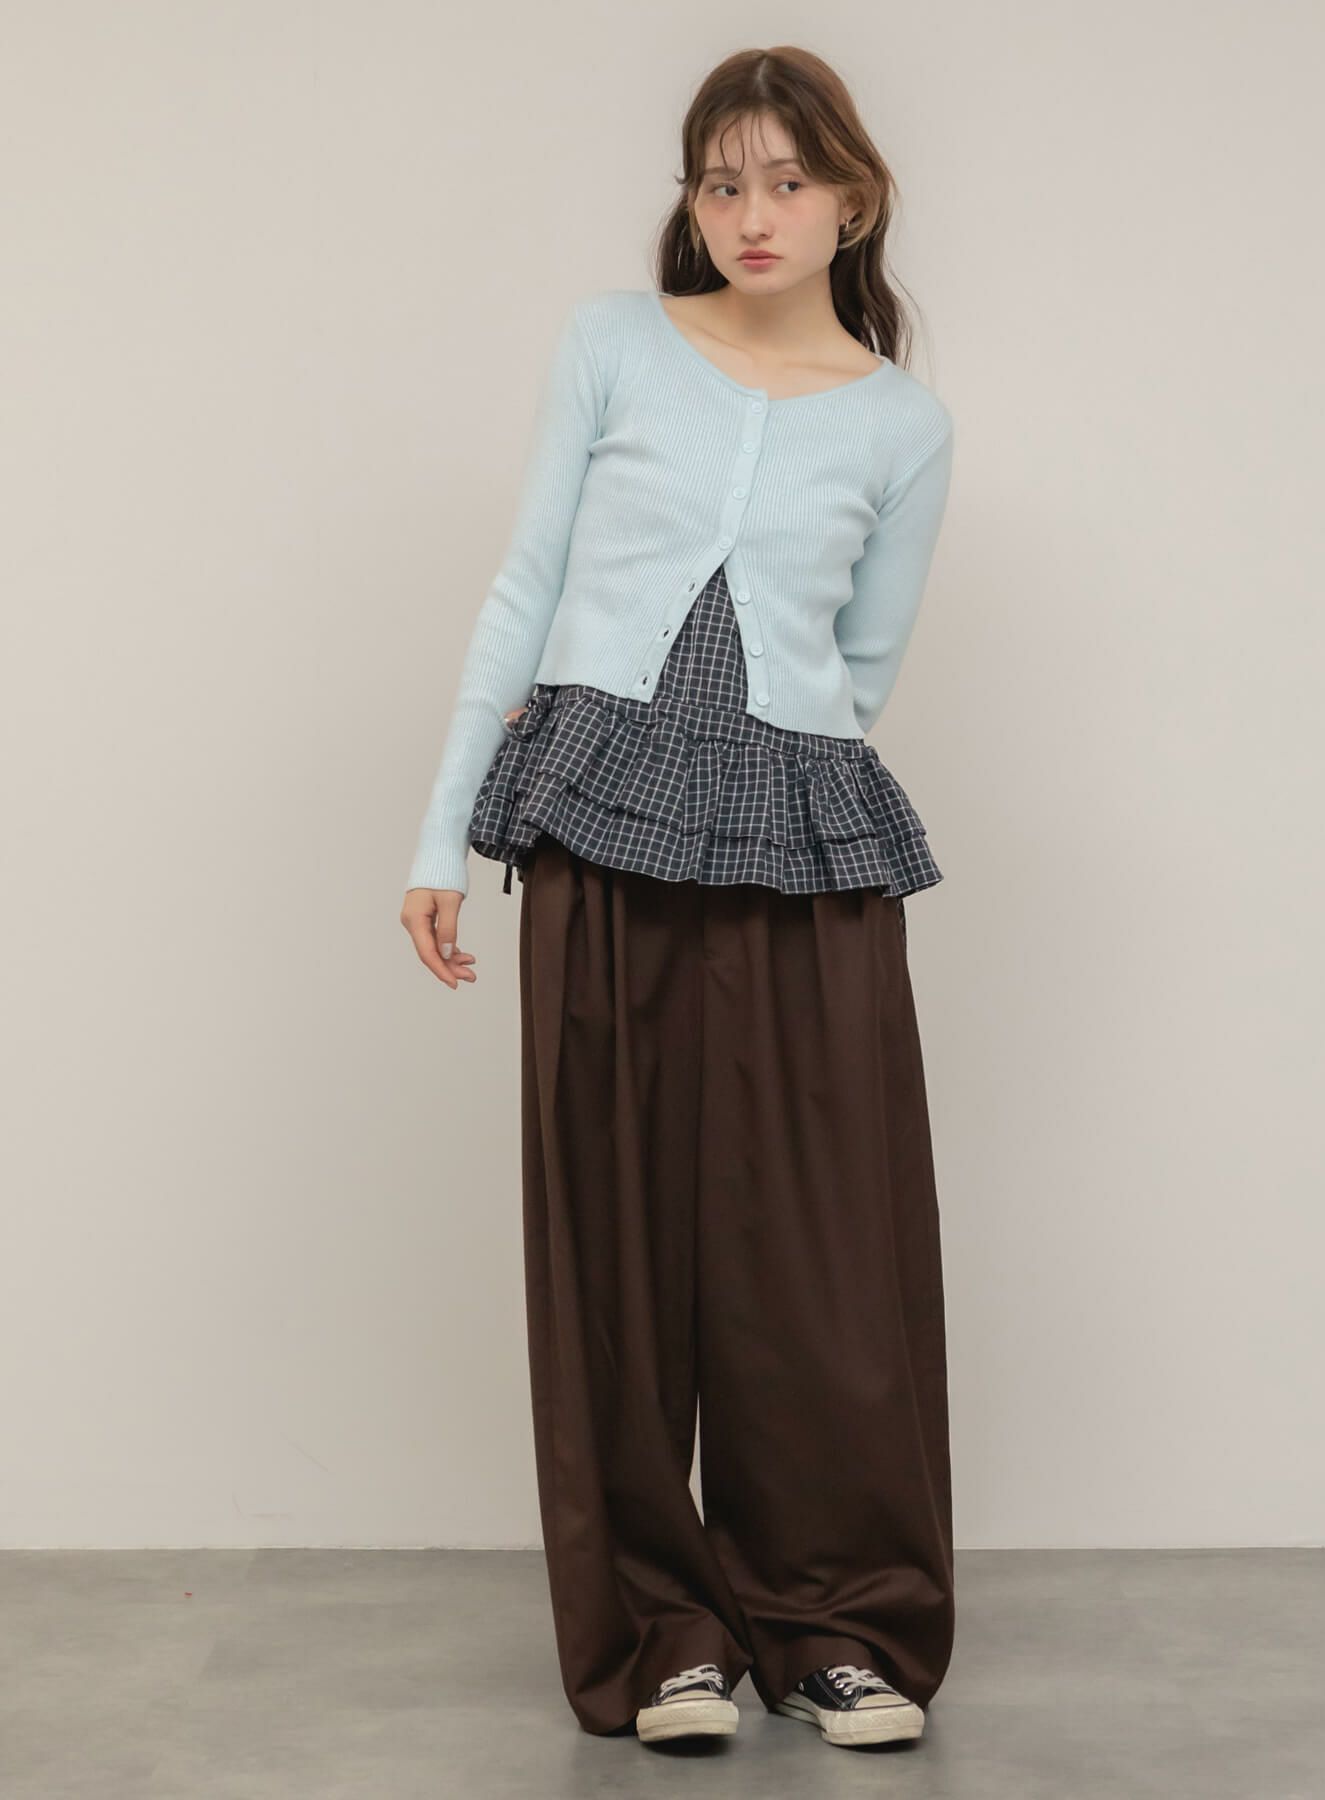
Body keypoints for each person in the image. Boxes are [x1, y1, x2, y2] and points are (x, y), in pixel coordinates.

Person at [400, 46, 957, 1752]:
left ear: (853, 198)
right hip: (595, 824)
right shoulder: (612, 344)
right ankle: (668, 1638)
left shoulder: (903, 423)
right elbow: (527, 587)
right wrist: (440, 839)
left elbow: (861, 665)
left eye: (788, 181)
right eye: (722, 182)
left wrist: (755, 776)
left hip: (800, 844)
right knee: (617, 1245)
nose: (752, 214)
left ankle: (835, 1623)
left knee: (818, 1254)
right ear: (690, 200)